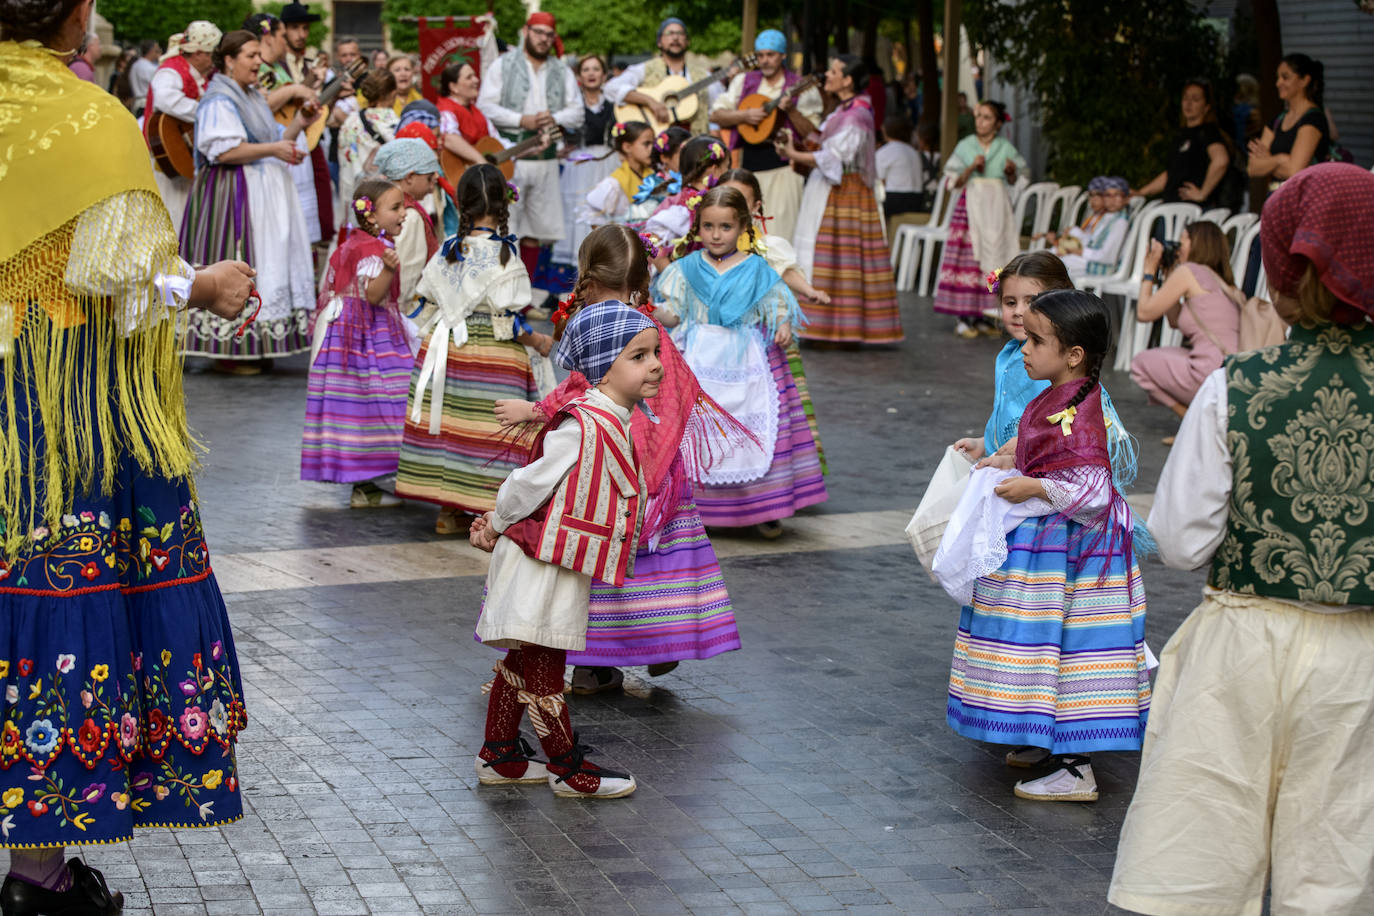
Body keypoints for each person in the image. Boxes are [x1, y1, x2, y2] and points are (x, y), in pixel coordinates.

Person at [0, 0, 256, 903]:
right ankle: (37, 878)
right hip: (50, 407)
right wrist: (207, 284)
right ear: (70, 19)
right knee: (57, 591)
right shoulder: (85, 122)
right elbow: (128, 282)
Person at [1108, 162, 1374, 916]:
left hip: (1243, 650)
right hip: (1363, 656)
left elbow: (1183, 541)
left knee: (1201, 858)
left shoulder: (1237, 386)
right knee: (1338, 869)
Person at [493, 226, 745, 695]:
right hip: (657, 474)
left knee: (595, 568)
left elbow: (577, 392)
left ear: (585, 274)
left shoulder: (600, 326)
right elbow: (682, 388)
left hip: (604, 475)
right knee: (655, 571)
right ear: (639, 278)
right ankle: (660, 641)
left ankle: (593, 664)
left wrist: (534, 411)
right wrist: (659, 445)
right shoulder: (648, 330)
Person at [937, 289, 1149, 802]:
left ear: (1074, 354)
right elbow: (1048, 455)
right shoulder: (1060, 397)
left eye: (1035, 339)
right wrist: (1010, 461)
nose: (1024, 348)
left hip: (1073, 560)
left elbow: (1095, 490)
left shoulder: (1081, 411)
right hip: (1052, 551)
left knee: (1069, 650)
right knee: (1043, 649)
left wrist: (1036, 487)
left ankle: (1075, 768)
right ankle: (1046, 739)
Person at [468, 297, 659, 799]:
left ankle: (501, 754)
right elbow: (526, 484)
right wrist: (495, 522)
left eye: (653, 353)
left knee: (524, 654)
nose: (655, 364)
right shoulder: (584, 424)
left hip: (556, 558)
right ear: (601, 366)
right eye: (637, 356)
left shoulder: (609, 417)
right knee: (547, 663)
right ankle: (567, 768)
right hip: (541, 561)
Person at [655, 186, 827, 537]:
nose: (716, 235)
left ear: (743, 227)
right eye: (708, 226)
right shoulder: (685, 269)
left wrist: (781, 324)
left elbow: (777, 304)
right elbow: (674, 314)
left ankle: (762, 507)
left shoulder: (757, 269)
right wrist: (649, 309)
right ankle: (696, 507)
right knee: (699, 431)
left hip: (747, 356)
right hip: (698, 356)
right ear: (697, 227)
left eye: (725, 227)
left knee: (753, 428)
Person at [395, 165, 554, 534]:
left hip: (448, 351)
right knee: (492, 428)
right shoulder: (505, 255)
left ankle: (448, 510)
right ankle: (490, 509)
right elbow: (509, 320)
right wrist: (540, 341)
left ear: (461, 203)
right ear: (503, 204)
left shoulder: (449, 250)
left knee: (452, 426)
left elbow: (426, 304)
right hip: (493, 359)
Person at [180, 29, 316, 372]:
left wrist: (300, 123)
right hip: (234, 194)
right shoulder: (219, 99)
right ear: (229, 60)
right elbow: (223, 149)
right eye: (251, 56)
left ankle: (257, 344)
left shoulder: (251, 96)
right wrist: (274, 150)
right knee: (242, 256)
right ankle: (230, 348)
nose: (259, 62)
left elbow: (273, 138)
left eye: (259, 55)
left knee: (268, 261)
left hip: (263, 190)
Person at [302, 178, 413, 508]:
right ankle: (381, 480)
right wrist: (389, 271)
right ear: (371, 216)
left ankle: (366, 486)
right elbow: (374, 296)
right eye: (395, 208)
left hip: (343, 337)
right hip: (368, 338)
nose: (404, 213)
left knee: (354, 409)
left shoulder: (352, 243)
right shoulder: (373, 250)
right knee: (389, 400)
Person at [781, 55, 905, 346]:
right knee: (825, 256)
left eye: (834, 71)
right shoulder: (843, 110)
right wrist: (792, 120)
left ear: (848, 79)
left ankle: (840, 330)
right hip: (830, 188)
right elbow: (819, 138)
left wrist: (793, 155)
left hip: (846, 192)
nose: (828, 74)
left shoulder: (858, 114)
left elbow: (834, 156)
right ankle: (823, 327)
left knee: (838, 259)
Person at [720, 168, 830, 473]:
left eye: (741, 201)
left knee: (774, 408)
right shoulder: (710, 244)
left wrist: (809, 291)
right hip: (721, 340)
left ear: (756, 208)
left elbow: (785, 273)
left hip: (763, 336)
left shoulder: (765, 245)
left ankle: (777, 478)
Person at [476, 12, 583, 288]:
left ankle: (523, 300)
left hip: (546, 159)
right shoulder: (503, 64)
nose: (544, 39)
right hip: (512, 158)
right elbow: (485, 105)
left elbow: (577, 113)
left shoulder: (561, 70)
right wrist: (521, 120)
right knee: (507, 227)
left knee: (536, 232)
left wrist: (554, 118)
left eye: (549, 35)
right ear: (526, 31)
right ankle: (503, 293)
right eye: (538, 32)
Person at [709, 29, 822, 243]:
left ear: (783, 56)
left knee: (781, 232)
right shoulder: (744, 82)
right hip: (747, 166)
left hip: (785, 169)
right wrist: (744, 115)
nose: (764, 60)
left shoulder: (798, 86)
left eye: (770, 55)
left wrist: (791, 111)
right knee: (745, 233)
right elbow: (717, 114)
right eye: (760, 55)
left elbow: (812, 133)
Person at [1130, 220, 1242, 433]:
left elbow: (1144, 313)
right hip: (1230, 372)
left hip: (1209, 372)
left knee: (1140, 363)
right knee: (1168, 353)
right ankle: (1200, 424)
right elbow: (1174, 320)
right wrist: (1167, 275)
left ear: (1197, 244)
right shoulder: (1221, 280)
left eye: (1182, 241)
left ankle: (1196, 425)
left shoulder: (1190, 271)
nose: (1178, 248)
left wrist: (1149, 272)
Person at [931, 99, 1027, 339]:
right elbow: (952, 181)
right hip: (972, 208)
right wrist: (970, 168)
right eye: (978, 116)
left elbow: (1021, 178)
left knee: (996, 256)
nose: (980, 122)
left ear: (996, 123)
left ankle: (985, 313)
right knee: (969, 258)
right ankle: (963, 316)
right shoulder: (966, 146)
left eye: (986, 117)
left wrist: (1011, 172)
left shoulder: (1005, 148)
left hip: (996, 208)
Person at [143, 21, 221, 229]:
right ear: (197, 53)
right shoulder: (170, 71)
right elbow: (165, 99)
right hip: (169, 158)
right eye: (211, 54)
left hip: (185, 159)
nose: (213, 61)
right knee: (173, 216)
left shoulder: (196, 76)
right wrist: (207, 113)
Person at [604, 18, 724, 136]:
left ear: (688, 41)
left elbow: (718, 109)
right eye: (669, 33)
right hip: (655, 140)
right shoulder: (645, 69)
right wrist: (650, 102)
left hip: (693, 144)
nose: (675, 38)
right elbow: (611, 88)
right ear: (659, 42)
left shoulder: (703, 76)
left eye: (680, 33)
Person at [553, 54, 619, 266]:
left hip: (608, 161)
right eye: (586, 70)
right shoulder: (571, 106)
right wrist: (559, 149)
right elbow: (554, 130)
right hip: (579, 163)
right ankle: (578, 270)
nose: (591, 74)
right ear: (579, 76)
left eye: (596, 69)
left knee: (606, 211)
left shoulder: (614, 104)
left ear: (604, 74)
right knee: (579, 213)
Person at [1131, 78, 1234, 209]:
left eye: (1195, 99)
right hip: (1171, 206)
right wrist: (1141, 192)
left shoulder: (1208, 132)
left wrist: (1203, 193)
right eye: (1185, 98)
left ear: (1207, 107)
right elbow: (1171, 173)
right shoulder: (1181, 135)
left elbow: (1221, 160)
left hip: (1190, 210)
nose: (1188, 103)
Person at [375, 138, 442, 321]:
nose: (435, 180)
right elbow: (406, 274)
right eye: (429, 176)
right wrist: (399, 319)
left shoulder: (379, 203)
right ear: (410, 177)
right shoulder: (408, 216)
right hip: (406, 314)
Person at [1248, 53, 1331, 191]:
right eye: (1278, 77)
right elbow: (1252, 168)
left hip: (1304, 200)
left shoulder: (1313, 119)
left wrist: (1268, 160)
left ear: (1304, 80)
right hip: (1277, 197)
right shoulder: (1277, 121)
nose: (1278, 83)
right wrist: (1280, 159)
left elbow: (1295, 171)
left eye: (1285, 77)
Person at [337, 69, 399, 225]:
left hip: (356, 194)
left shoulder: (350, 122)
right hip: (386, 200)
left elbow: (344, 159)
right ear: (393, 93)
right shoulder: (394, 123)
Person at [643, 135, 729, 245]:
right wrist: (671, 263)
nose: (729, 173)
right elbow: (651, 244)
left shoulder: (689, 198)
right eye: (727, 167)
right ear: (715, 170)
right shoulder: (685, 208)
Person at [580, 120, 658, 228]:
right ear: (627, 147)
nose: (652, 148)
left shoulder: (654, 178)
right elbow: (593, 216)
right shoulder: (614, 184)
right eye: (646, 144)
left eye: (654, 143)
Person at [1059, 176, 1130, 278]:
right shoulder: (1107, 217)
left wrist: (1080, 252)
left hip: (1101, 267)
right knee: (1054, 260)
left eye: (1117, 195)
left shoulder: (1120, 222)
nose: (1112, 199)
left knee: (1056, 265)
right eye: (1108, 195)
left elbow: (1107, 257)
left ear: (1126, 199)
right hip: (1091, 260)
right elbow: (1092, 241)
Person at [436, 59, 494, 169]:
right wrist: (480, 159)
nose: (476, 80)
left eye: (475, 76)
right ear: (453, 87)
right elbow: (449, 139)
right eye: (469, 77)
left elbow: (498, 142)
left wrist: (526, 149)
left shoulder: (476, 111)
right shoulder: (445, 110)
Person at [875, 115, 925, 223]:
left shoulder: (885, 151)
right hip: (917, 200)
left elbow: (879, 181)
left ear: (885, 130)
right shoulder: (914, 152)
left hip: (896, 200)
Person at [127, 38, 159, 115]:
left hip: (137, 104)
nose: (158, 53)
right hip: (146, 104)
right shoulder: (151, 68)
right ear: (151, 51)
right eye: (156, 51)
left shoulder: (135, 65)